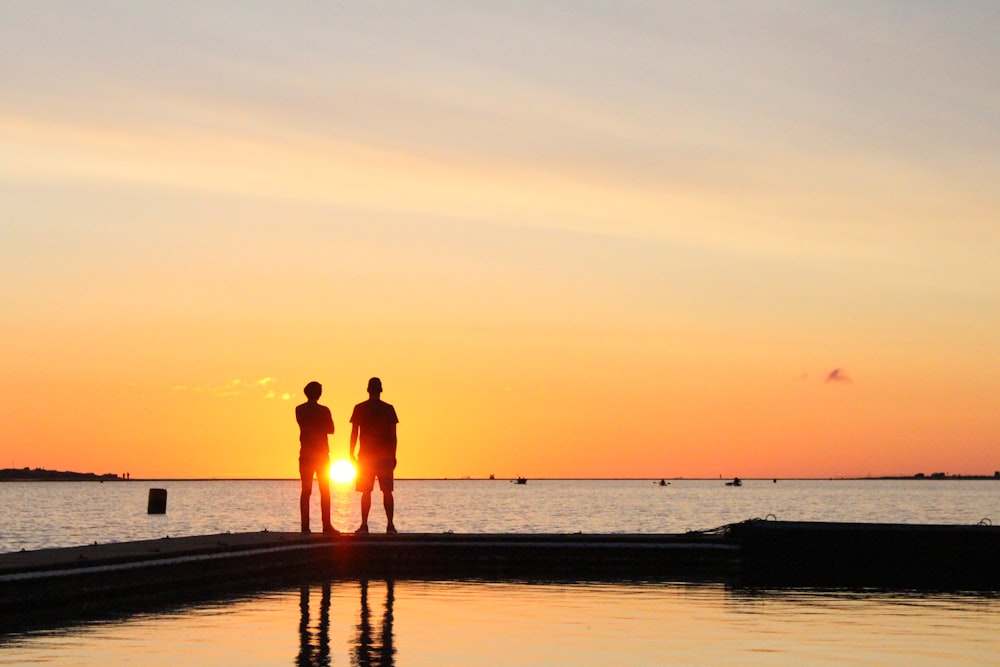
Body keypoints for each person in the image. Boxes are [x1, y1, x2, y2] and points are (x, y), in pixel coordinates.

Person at [350, 377, 399, 534]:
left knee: (366, 491)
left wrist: (350, 453)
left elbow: (354, 433)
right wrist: (393, 455)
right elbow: (393, 435)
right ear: (381, 390)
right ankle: (390, 525)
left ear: (368, 389)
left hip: (365, 456)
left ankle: (364, 525)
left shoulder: (359, 408)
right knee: (387, 491)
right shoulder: (388, 408)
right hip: (384, 455)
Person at [296, 381, 337, 534]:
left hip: (306, 453)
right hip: (321, 454)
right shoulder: (324, 410)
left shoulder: (299, 409)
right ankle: (326, 525)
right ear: (319, 394)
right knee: (325, 490)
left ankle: (304, 526)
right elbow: (331, 429)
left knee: (305, 490)